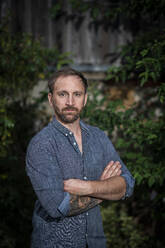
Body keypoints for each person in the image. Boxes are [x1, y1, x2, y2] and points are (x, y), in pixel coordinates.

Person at [26, 68, 135, 248]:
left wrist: (87, 186)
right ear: (50, 99)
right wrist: (105, 190)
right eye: (63, 94)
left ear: (85, 99)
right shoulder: (42, 144)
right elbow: (56, 208)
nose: (70, 101)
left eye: (77, 94)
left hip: (95, 242)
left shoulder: (98, 137)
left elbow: (127, 184)